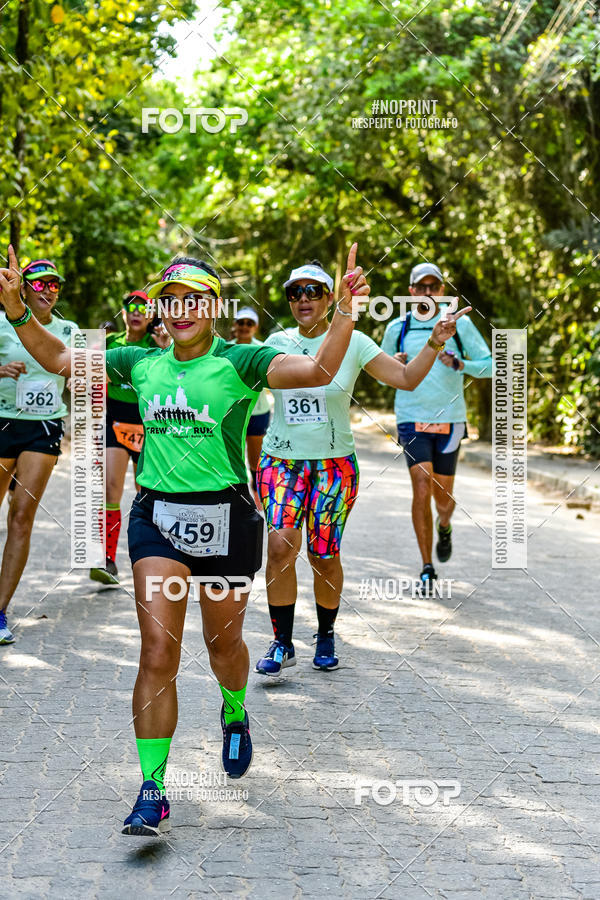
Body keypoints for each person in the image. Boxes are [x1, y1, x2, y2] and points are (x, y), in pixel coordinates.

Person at [0, 242, 370, 836]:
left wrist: (347, 311)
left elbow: (319, 372)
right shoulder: (137, 361)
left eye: (192, 299)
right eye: (169, 299)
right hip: (157, 518)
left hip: (226, 520)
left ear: (213, 307)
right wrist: (19, 311)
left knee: (222, 648)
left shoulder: (243, 361)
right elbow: (63, 359)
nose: (178, 309)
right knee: (157, 650)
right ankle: (152, 789)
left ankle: (234, 710)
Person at [254, 259, 471, 677]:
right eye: (294, 292)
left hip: (335, 466)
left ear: (330, 298)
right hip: (281, 460)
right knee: (280, 547)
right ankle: (282, 642)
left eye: (313, 291)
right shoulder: (276, 340)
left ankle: (327, 633)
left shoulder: (355, 341)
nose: (303, 299)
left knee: (323, 554)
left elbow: (406, 378)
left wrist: (436, 342)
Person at [380, 262, 493, 591]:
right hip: (411, 417)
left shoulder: (460, 325)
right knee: (422, 487)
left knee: (443, 499)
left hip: (450, 420)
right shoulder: (397, 328)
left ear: (442, 291)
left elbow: (490, 366)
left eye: (435, 287)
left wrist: (460, 363)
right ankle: (427, 566)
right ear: (412, 291)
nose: (428, 292)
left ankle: (445, 524)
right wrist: (395, 364)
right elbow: (381, 372)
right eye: (422, 287)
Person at [0, 258, 78, 644]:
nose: (48, 291)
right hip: (1, 421)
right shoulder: (1, 324)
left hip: (43, 427)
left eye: (54, 285)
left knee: (21, 518)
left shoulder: (69, 330)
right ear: (23, 288)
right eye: (39, 283)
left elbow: (84, 374)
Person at [91, 291, 170, 585]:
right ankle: (107, 560)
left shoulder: (157, 345)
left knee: (145, 491)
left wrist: (166, 347)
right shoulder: (110, 344)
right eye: (131, 307)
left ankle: (152, 555)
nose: (137, 312)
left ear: (151, 316)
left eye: (144, 308)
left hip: (148, 424)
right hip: (115, 420)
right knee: (111, 488)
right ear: (123, 312)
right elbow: (89, 373)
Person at [230, 306, 271, 509]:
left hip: (258, 412)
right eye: (241, 322)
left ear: (255, 327)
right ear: (235, 325)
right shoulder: (224, 349)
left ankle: (258, 499)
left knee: (255, 462)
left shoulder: (262, 349)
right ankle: (237, 500)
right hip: (231, 414)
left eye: (249, 323)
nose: (244, 327)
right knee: (232, 460)